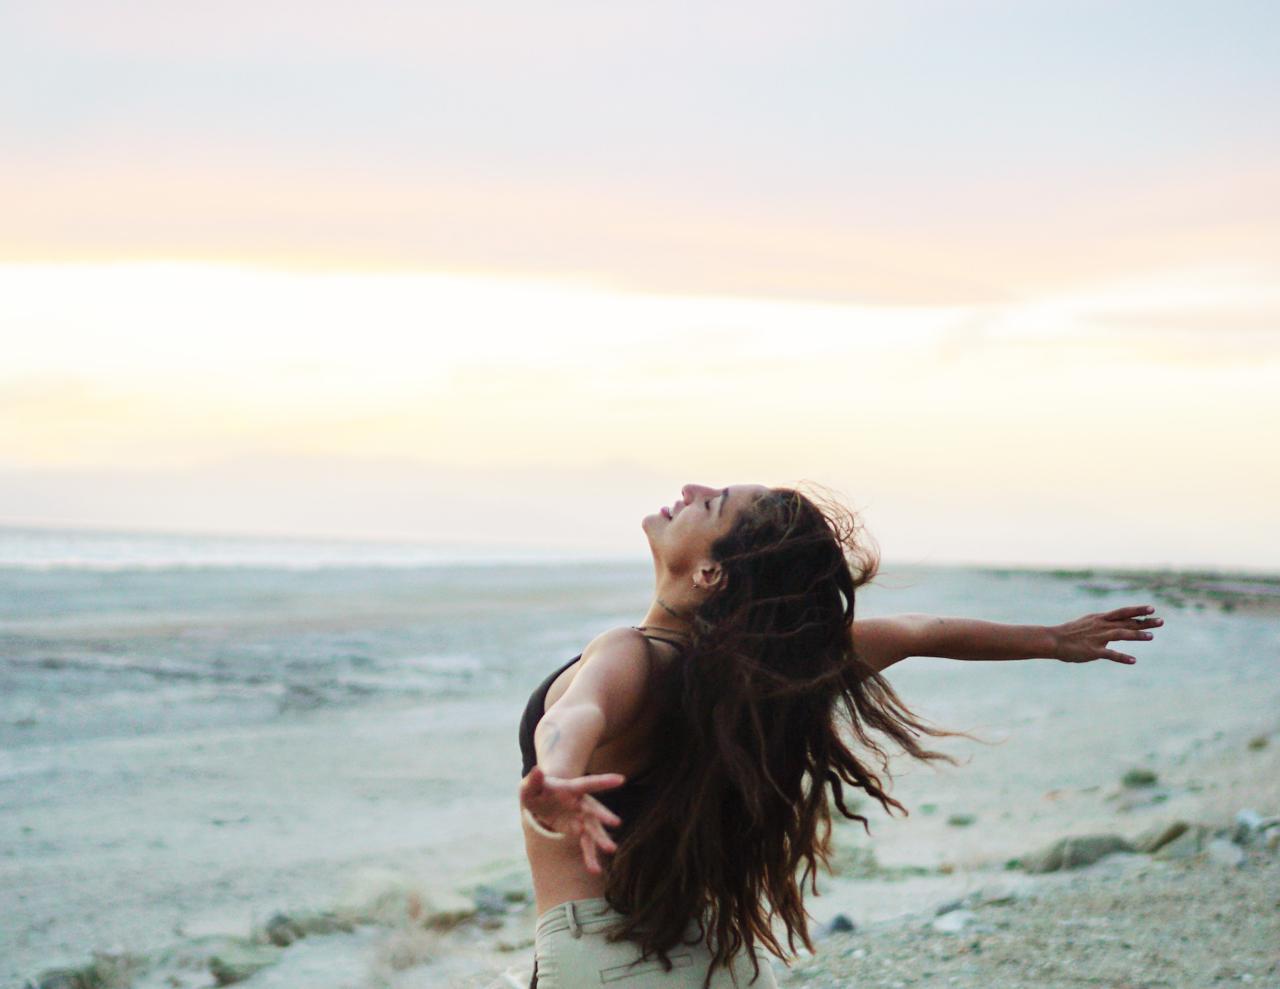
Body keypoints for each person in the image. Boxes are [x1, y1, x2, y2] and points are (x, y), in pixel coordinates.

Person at [517, 483, 1162, 988]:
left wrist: (558, 775)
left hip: (602, 956)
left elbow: (576, 714)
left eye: (708, 504)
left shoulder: (632, 651)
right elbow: (921, 632)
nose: (688, 490)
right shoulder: (766, 673)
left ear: (710, 573)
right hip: (717, 955)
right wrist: (1053, 640)